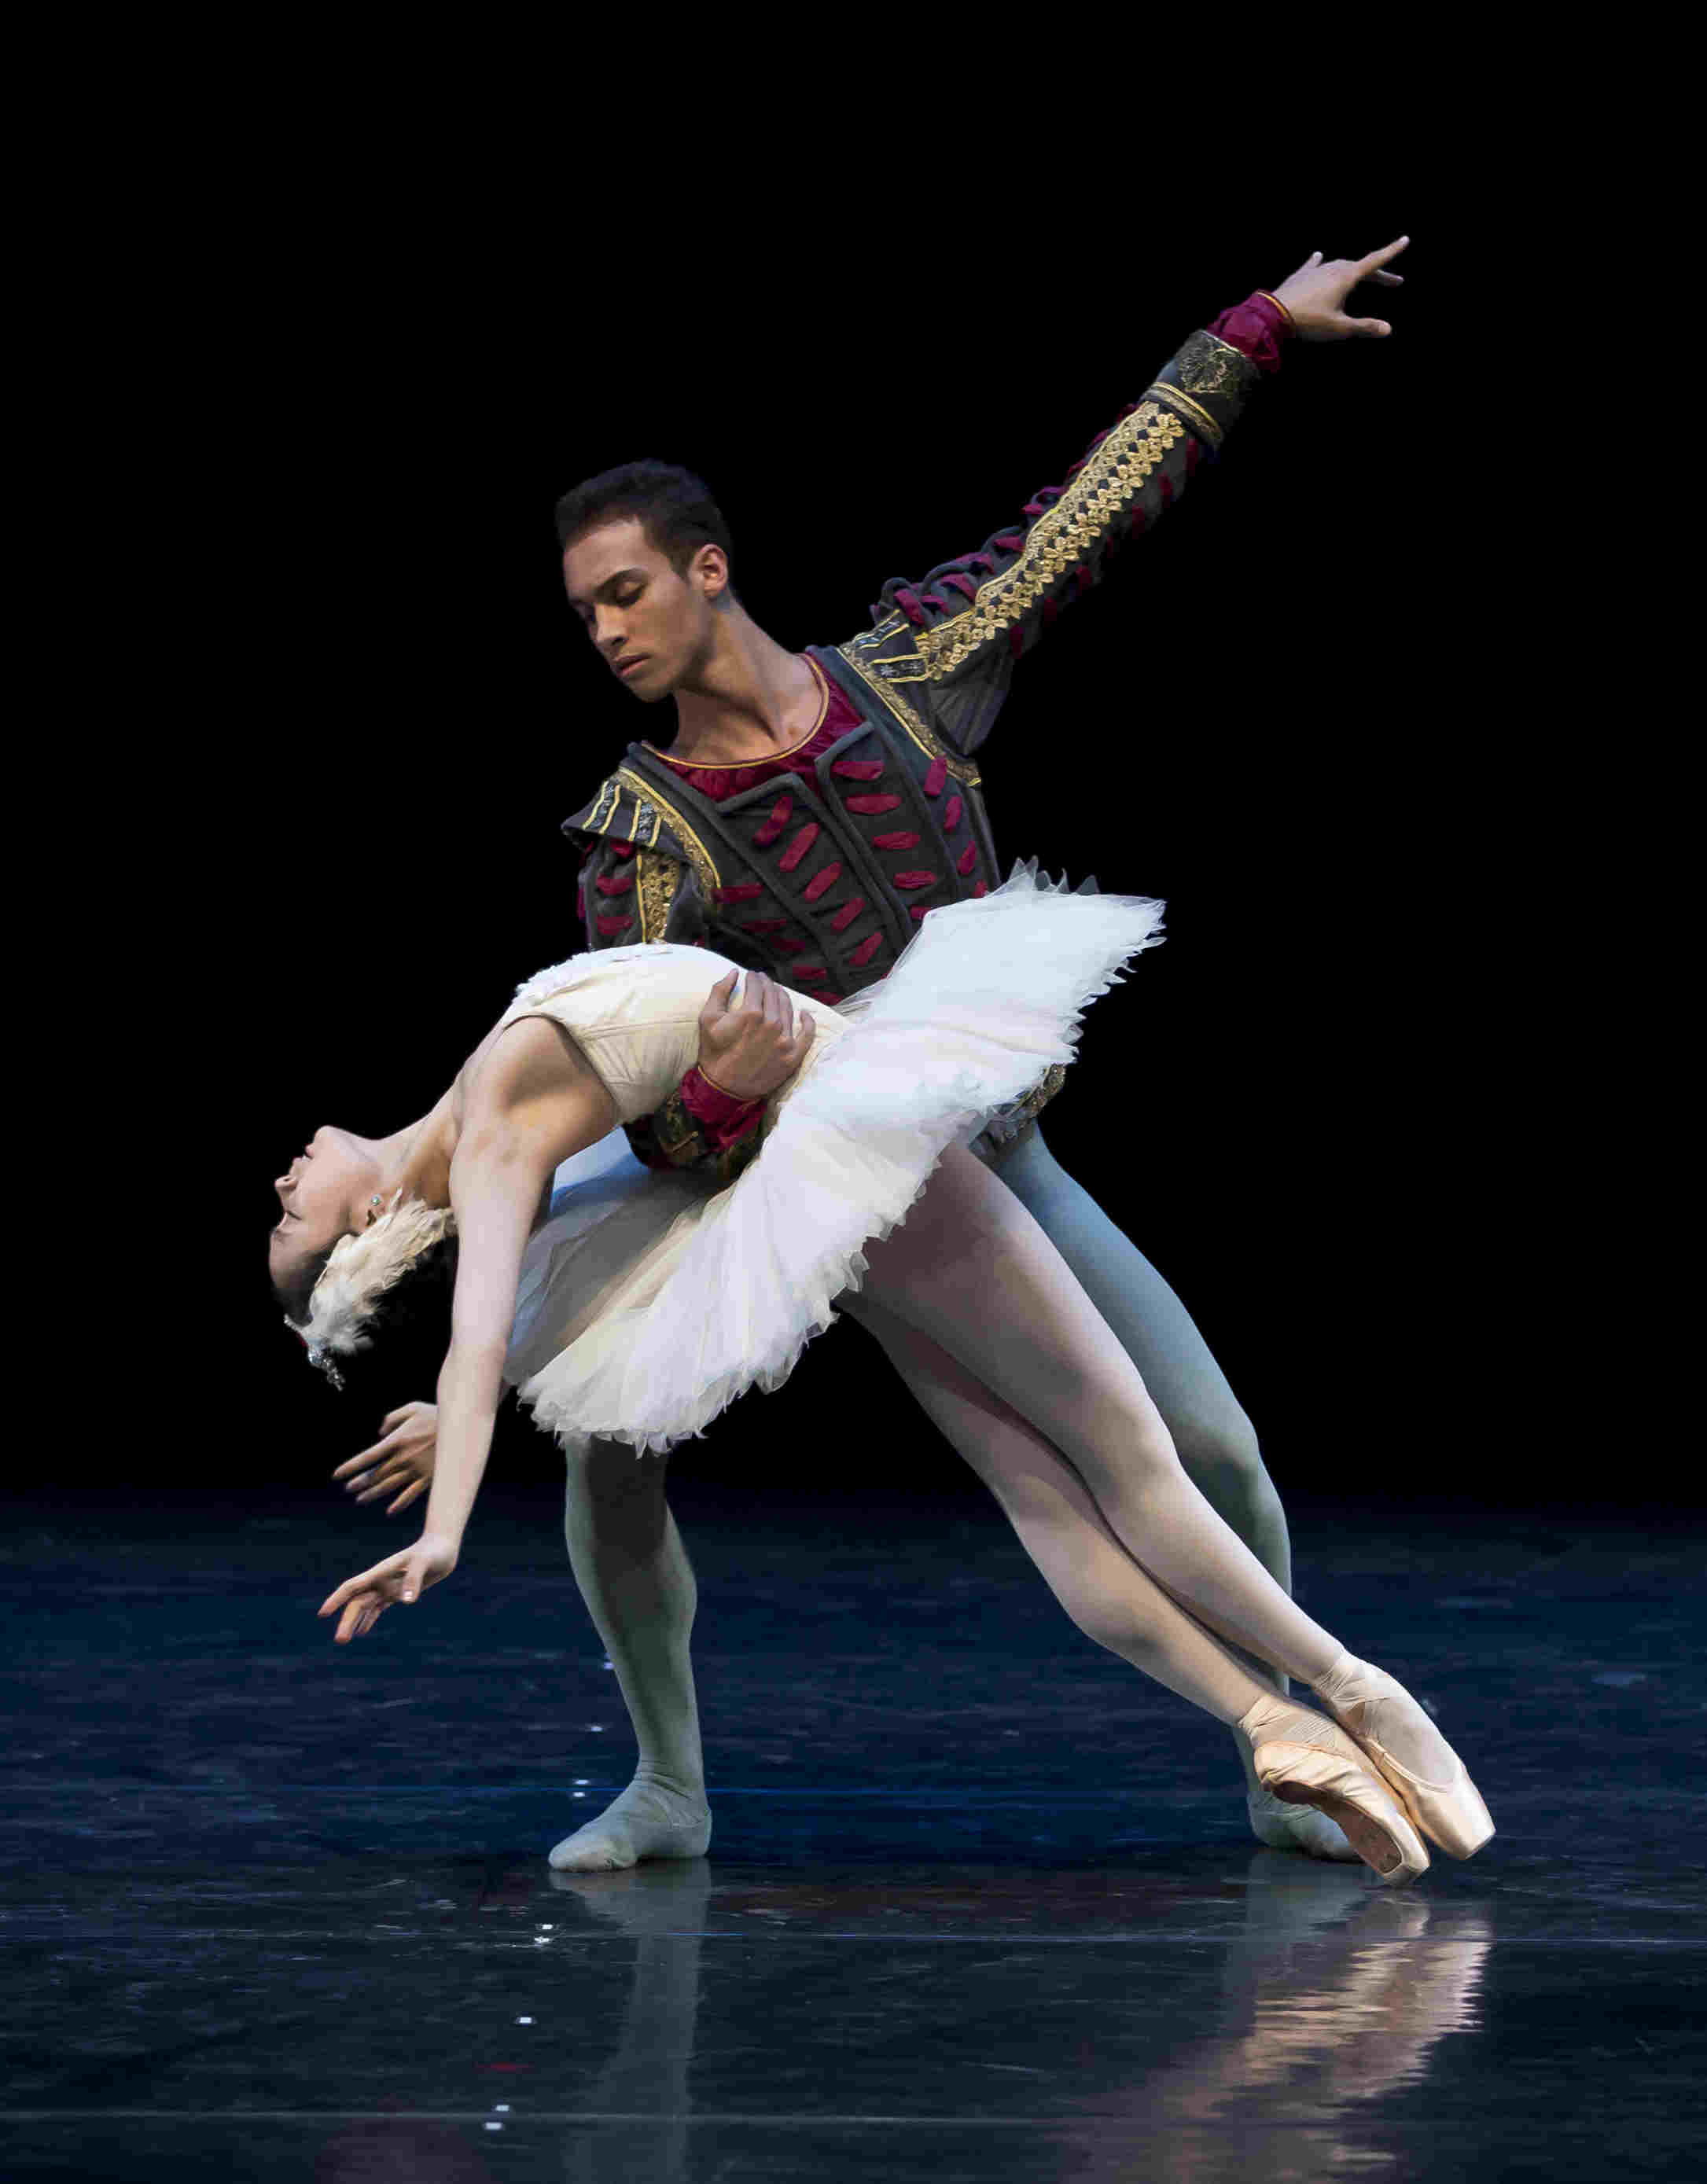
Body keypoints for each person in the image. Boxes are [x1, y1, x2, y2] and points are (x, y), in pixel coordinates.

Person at [337, 236, 1419, 1872]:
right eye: (581, 612)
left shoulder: (907, 679)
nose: (605, 630)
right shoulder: (644, 841)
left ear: (708, 568)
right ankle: (669, 1782)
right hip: (779, 1193)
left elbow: (1084, 517)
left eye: (625, 590)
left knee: (1200, 1449)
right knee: (605, 1447)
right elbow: (642, 1106)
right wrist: (727, 1083)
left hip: (978, 1171)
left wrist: (1256, 327)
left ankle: (1283, 1754)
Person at [274, 873, 1493, 1889]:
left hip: (822, 1179)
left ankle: (1273, 1725)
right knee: (1119, 1449)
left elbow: (588, 1255)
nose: (279, 1185)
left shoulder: (500, 1127)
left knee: (1046, 1496)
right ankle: (1351, 1687)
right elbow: (482, 1334)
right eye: (286, 1227)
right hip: (853, 1143)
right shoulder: (493, 1132)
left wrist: (466, 1419)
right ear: (366, 1226)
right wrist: (444, 1533)